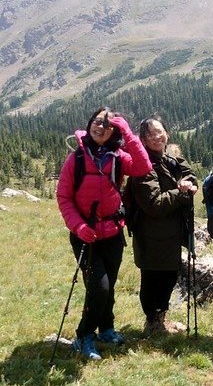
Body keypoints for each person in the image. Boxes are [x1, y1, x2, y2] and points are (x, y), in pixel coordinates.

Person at [56, 107, 152, 360]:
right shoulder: (75, 159)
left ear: (115, 131)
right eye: (98, 122)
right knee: (98, 288)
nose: (101, 127)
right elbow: (64, 197)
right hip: (85, 235)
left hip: (112, 232)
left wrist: (129, 133)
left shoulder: (118, 157)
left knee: (108, 286)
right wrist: (78, 226)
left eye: (109, 125)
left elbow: (143, 167)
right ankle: (84, 335)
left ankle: (106, 329)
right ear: (89, 124)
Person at [129, 116, 198, 335]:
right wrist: (181, 192)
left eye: (159, 131)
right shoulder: (143, 165)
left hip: (170, 233)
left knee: (168, 275)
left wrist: (189, 184)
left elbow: (189, 175)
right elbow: (154, 204)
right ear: (143, 140)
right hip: (152, 234)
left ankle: (160, 320)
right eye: (150, 135)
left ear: (166, 132)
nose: (157, 137)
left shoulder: (170, 158)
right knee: (153, 279)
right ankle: (153, 322)